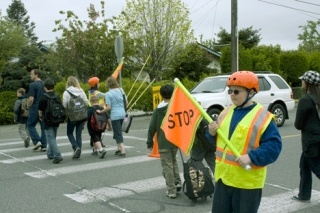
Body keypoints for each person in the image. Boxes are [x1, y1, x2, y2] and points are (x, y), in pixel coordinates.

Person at [207, 71, 282, 213]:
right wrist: (211, 133)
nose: (232, 94)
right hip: (223, 179)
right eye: (230, 90)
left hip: (246, 184)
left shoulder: (263, 117)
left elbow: (274, 147)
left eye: (237, 91)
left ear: (252, 92)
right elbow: (217, 141)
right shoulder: (226, 111)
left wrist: (251, 157)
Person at [146, 84, 182, 199]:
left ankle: (171, 190)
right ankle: (178, 182)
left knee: (167, 166)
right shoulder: (176, 107)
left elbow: (152, 127)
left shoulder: (158, 110)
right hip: (175, 140)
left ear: (161, 95)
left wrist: (149, 142)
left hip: (163, 141)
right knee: (173, 161)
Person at [292, 70, 320, 202]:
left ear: (308, 83)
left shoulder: (305, 100)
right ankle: (304, 195)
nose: (301, 82)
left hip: (311, 142)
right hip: (317, 140)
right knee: (304, 166)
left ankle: (304, 195)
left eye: (303, 80)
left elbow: (298, 124)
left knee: (317, 169)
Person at [62, 76, 89, 159]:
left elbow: (64, 104)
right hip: (81, 116)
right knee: (78, 134)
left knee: (69, 133)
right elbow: (86, 102)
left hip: (72, 116)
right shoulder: (81, 91)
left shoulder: (66, 92)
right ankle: (78, 152)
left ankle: (75, 147)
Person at [38, 78, 63, 164]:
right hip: (56, 118)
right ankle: (50, 153)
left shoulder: (43, 97)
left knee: (50, 137)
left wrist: (40, 117)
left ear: (45, 87)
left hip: (47, 120)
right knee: (52, 137)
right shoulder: (56, 96)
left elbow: (40, 110)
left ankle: (57, 155)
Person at [102, 76, 127, 157]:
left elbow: (109, 107)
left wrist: (101, 111)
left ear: (108, 84)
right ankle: (118, 148)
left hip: (115, 115)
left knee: (118, 133)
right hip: (123, 114)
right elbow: (126, 102)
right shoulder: (121, 90)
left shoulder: (108, 94)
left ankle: (122, 150)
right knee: (117, 132)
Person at [27, 69, 47, 151]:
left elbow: (31, 98)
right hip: (44, 107)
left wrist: (28, 105)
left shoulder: (32, 85)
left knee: (30, 125)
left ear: (36, 75)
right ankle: (44, 145)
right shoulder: (44, 84)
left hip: (35, 107)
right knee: (43, 127)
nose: (30, 75)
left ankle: (37, 141)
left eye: (31, 74)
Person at [88, 76, 106, 148]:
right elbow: (106, 95)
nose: (99, 84)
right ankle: (99, 143)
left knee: (93, 128)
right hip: (99, 112)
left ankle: (93, 142)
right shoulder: (98, 93)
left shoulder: (90, 92)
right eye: (98, 83)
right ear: (95, 84)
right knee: (99, 128)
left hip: (92, 110)